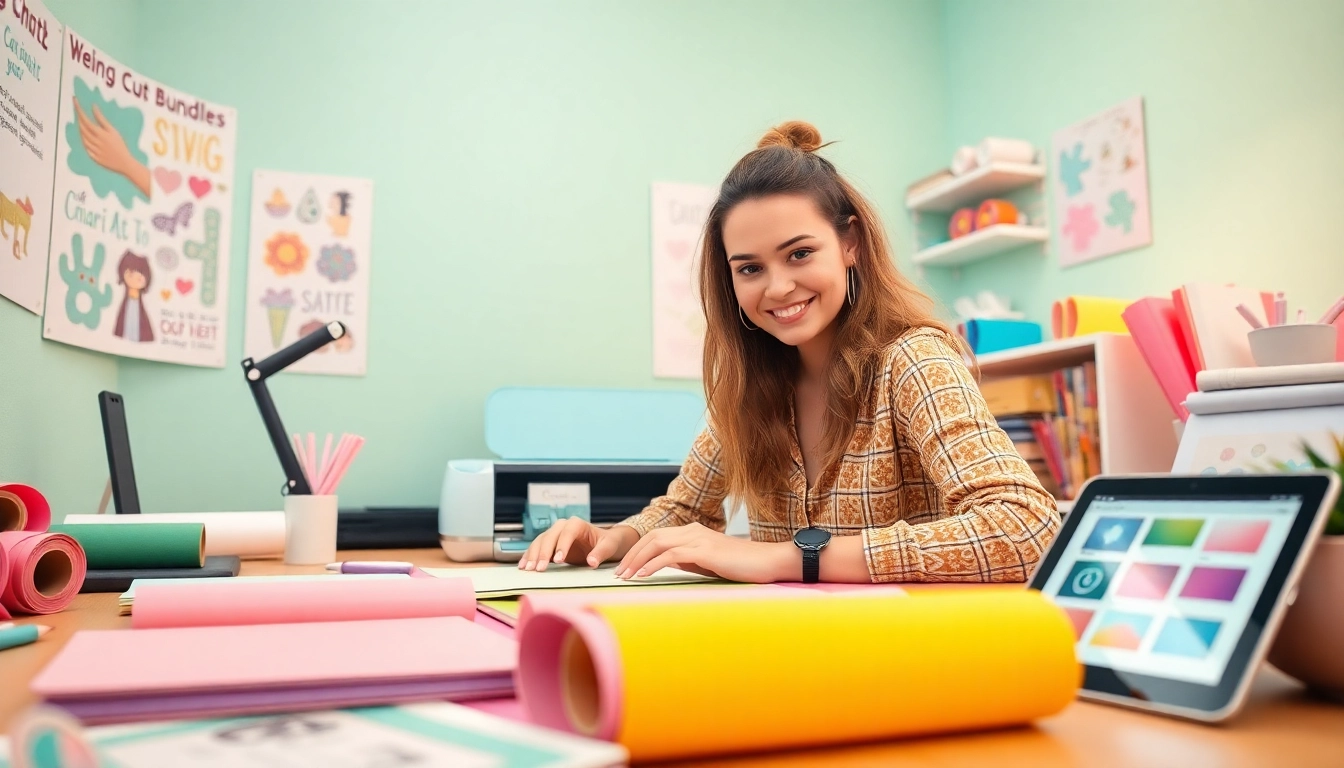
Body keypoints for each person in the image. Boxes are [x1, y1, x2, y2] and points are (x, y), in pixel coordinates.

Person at [520, 121, 1059, 584]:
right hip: (790, 652)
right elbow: (684, 510)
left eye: (799, 253)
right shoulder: (750, 387)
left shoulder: (914, 360)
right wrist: (606, 540)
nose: (777, 287)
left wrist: (787, 559)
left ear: (850, 244)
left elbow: (1026, 526)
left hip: (909, 655)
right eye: (750, 268)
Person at [113, 250, 154, 343]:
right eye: (131, 273)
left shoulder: (141, 310)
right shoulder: (124, 307)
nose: (138, 277)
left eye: (141, 273)